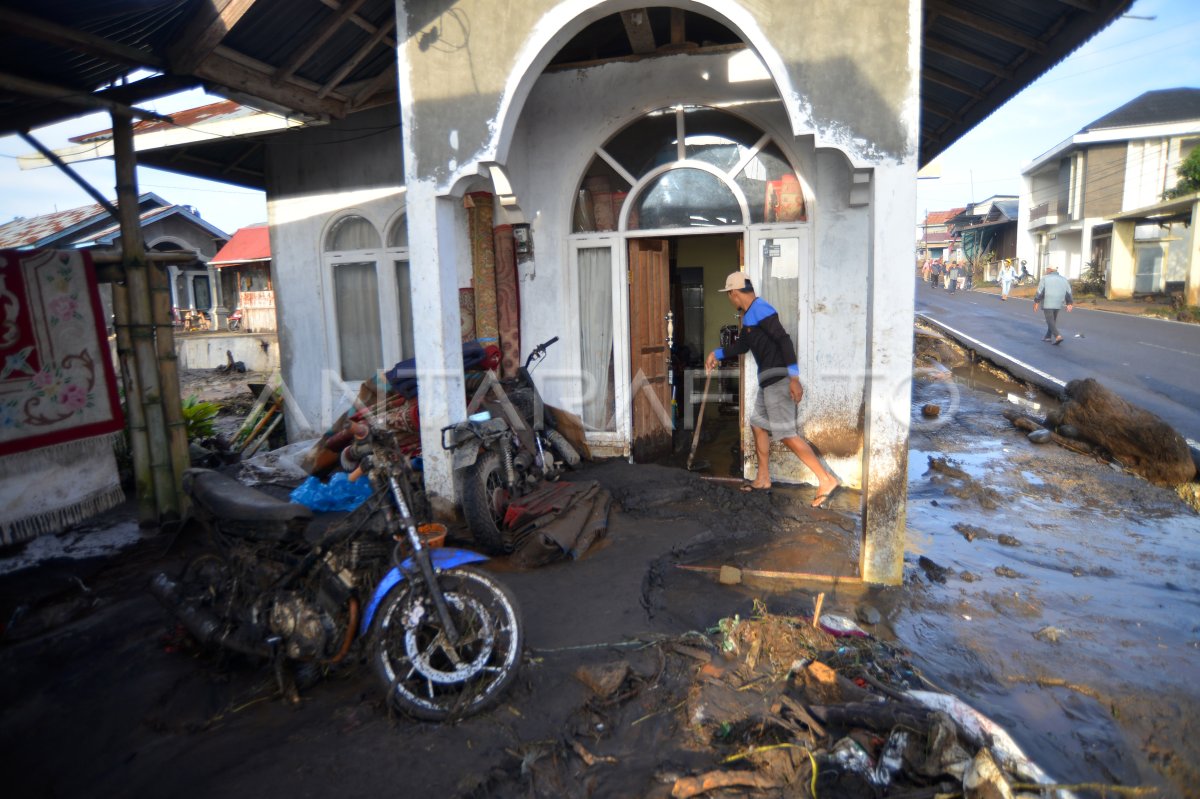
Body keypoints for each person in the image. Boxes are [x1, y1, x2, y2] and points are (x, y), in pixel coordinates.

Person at [705, 273, 840, 507]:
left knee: (786, 434)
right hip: (767, 382)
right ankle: (763, 478)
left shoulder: (761, 308)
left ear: (734, 293)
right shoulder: (749, 316)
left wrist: (794, 378)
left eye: (729, 294)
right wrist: (716, 354)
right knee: (758, 424)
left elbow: (784, 340)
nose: (730, 299)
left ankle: (826, 479)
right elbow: (743, 346)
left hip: (778, 380)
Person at [1033, 264, 1073, 344]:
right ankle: (1048, 336)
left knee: (1049, 320)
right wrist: (1069, 303)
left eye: (1046, 269)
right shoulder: (1064, 279)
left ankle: (1058, 336)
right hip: (1058, 301)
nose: (1045, 271)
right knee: (1052, 320)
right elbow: (1068, 292)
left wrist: (1036, 301)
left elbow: (1040, 291)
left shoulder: (1045, 278)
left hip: (1048, 301)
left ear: (1049, 269)